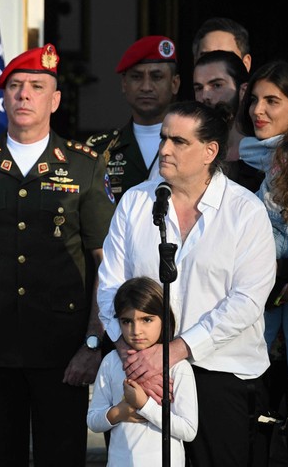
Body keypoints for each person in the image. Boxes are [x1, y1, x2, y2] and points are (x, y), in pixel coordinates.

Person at [0, 43, 115, 467]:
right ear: (4, 96)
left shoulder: (85, 166)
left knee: (61, 458)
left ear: (55, 99)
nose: (24, 95)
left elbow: (105, 263)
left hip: (62, 352)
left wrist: (91, 344)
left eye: (36, 86)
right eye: (15, 86)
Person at [97, 100, 276, 466]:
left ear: (211, 151)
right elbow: (111, 285)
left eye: (179, 141)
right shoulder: (136, 202)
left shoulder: (245, 211)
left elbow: (246, 301)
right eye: (164, 138)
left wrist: (174, 350)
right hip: (142, 371)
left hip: (220, 373)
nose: (164, 149)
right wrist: (129, 351)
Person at [237, 61, 288, 438]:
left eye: (272, 101)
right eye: (254, 99)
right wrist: (285, 289)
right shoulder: (238, 163)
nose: (258, 110)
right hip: (259, 314)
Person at [87, 276, 198, 466]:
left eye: (146, 319)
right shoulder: (111, 362)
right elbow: (93, 420)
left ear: (164, 318)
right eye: (127, 321)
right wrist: (118, 413)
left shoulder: (178, 367)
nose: (136, 330)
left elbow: (188, 430)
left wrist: (145, 405)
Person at [85, 35, 180, 203]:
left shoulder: (193, 146)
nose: (146, 87)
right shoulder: (101, 149)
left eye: (156, 77)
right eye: (136, 77)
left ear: (174, 84)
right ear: (124, 84)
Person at [193, 49, 264, 191]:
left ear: (243, 90)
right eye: (198, 88)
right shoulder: (191, 150)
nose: (205, 96)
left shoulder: (266, 153)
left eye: (216, 85)